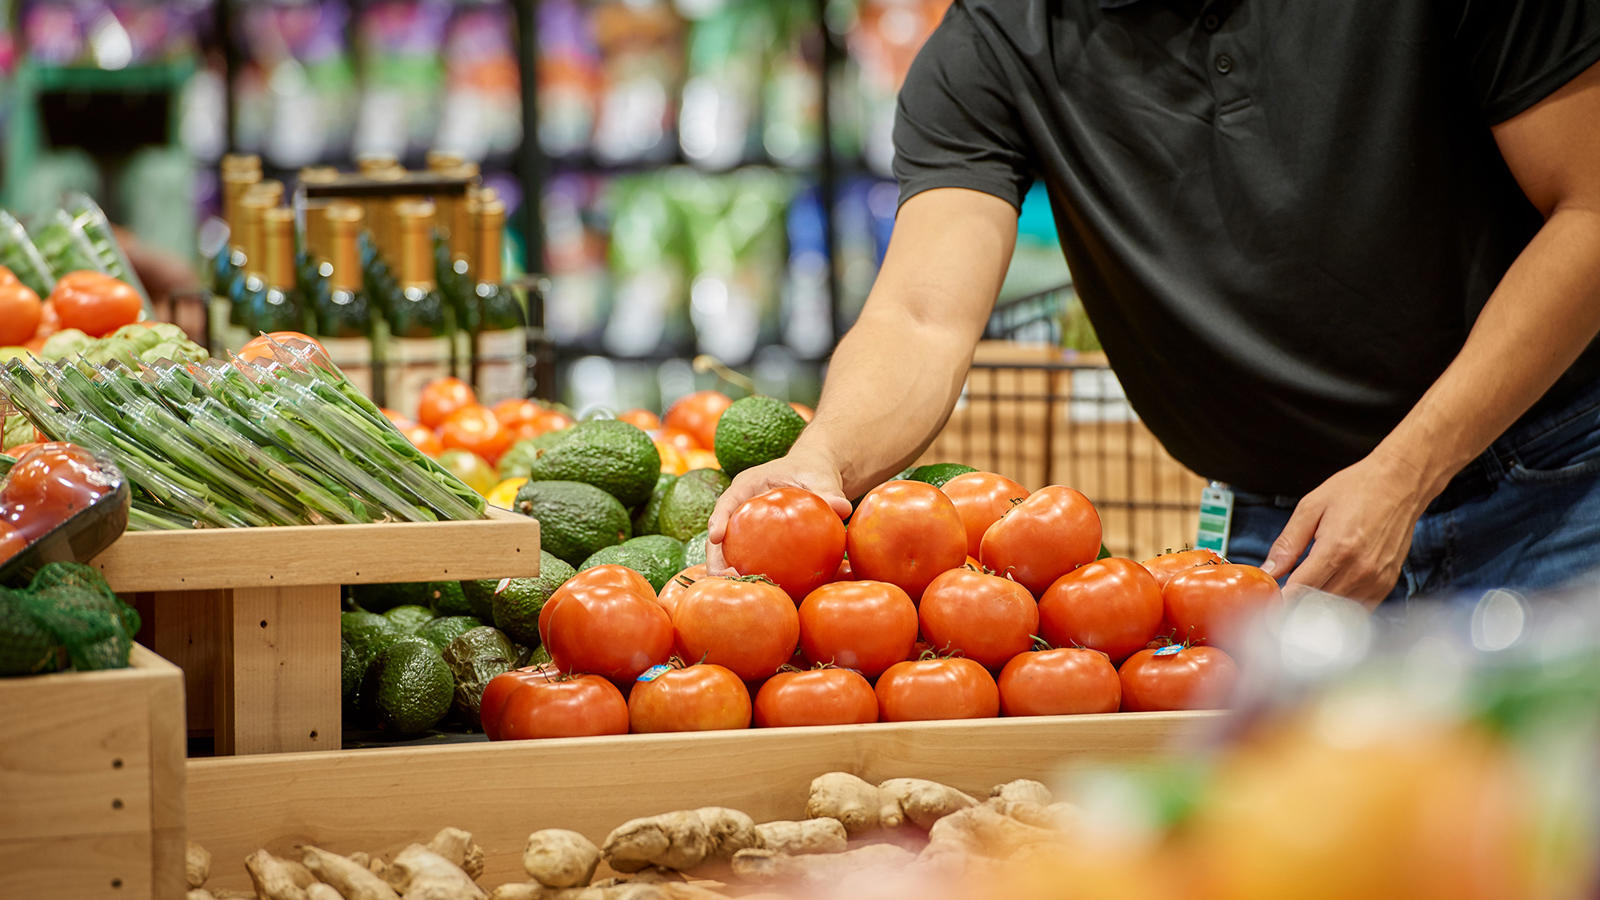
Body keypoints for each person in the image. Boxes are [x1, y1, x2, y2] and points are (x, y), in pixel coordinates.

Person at [706, 0, 1600, 608]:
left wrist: (1405, 473)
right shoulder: (998, 37)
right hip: (1284, 533)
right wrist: (820, 460)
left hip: (1553, 488)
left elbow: (1590, 210)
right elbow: (918, 315)